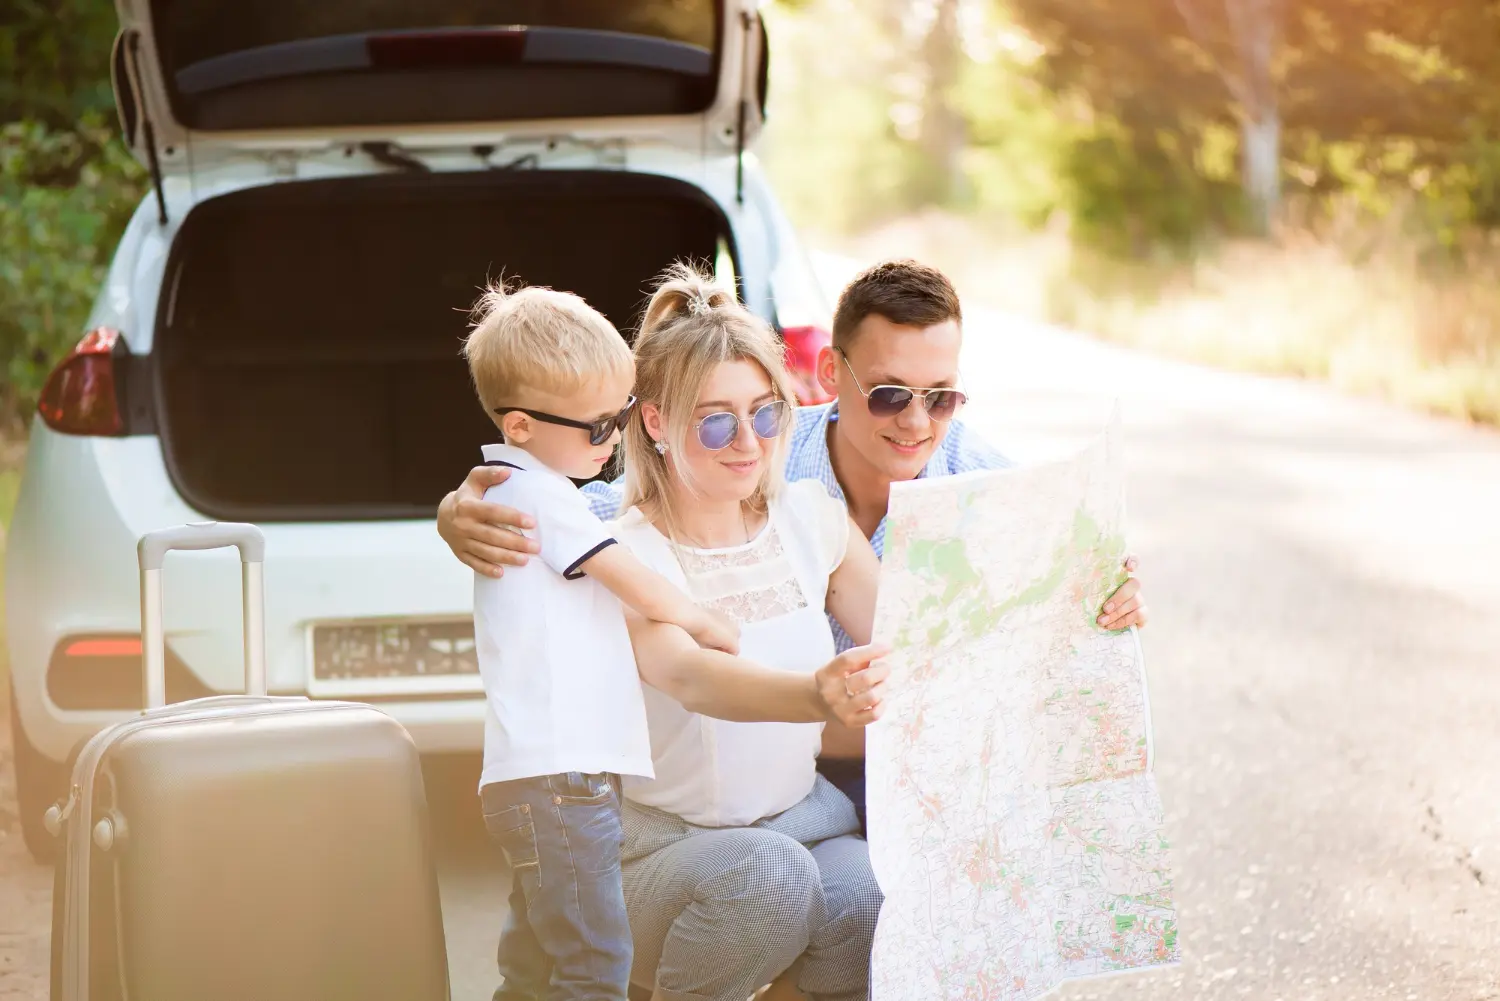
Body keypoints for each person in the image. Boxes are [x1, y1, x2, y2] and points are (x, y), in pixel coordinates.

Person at [438, 259, 1152, 837]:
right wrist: (463, 508)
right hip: (779, 772)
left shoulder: (983, 484)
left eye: (940, 398)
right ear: (834, 376)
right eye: (889, 394)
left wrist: (1095, 599)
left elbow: (1012, 618)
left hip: (892, 756)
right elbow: (586, 512)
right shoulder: (768, 463)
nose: (916, 421)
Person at [460, 283, 889, 1001]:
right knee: (768, 879)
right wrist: (814, 692)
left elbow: (923, 636)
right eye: (717, 424)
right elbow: (688, 675)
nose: (749, 442)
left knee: (881, 896)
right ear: (655, 422)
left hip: (802, 822)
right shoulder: (621, 553)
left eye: (766, 413)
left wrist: (1089, 601)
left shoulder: (810, 517)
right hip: (664, 850)